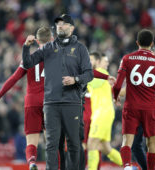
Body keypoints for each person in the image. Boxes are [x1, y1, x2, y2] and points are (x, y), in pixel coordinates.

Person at [22, 14, 93, 170]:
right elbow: (28, 63)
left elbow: (89, 74)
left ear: (72, 28)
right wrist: (26, 47)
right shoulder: (48, 47)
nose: (60, 26)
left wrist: (75, 79)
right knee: (52, 145)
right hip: (51, 104)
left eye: (64, 23)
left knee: (74, 143)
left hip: (72, 102)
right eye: (58, 24)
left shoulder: (81, 49)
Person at [0, 26, 52, 170]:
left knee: (31, 141)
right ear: (51, 39)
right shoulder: (56, 57)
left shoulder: (28, 58)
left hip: (31, 102)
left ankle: (32, 162)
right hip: (49, 101)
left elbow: (14, 78)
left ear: (36, 40)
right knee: (51, 141)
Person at [112, 29, 155, 170]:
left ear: (137, 43)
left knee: (127, 141)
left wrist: (116, 98)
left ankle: (127, 166)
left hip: (131, 106)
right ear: (152, 44)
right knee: (151, 143)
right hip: (150, 108)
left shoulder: (127, 59)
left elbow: (117, 85)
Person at [87, 52, 122, 170]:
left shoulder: (101, 73)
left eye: (91, 59)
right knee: (105, 148)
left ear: (97, 62)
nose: (107, 63)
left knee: (91, 144)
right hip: (104, 113)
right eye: (105, 61)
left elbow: (86, 81)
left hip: (101, 113)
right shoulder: (101, 75)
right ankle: (130, 167)